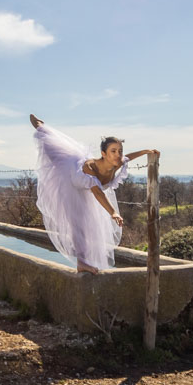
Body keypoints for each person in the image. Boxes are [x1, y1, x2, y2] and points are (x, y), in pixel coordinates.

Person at [30, 114, 159, 274]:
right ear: (103, 154)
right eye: (113, 151)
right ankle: (40, 126)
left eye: (119, 150)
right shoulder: (89, 168)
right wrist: (113, 213)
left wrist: (147, 151)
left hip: (85, 188)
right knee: (78, 222)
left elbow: (128, 157)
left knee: (89, 224)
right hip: (69, 178)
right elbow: (97, 192)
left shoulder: (116, 163)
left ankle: (83, 262)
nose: (118, 154)